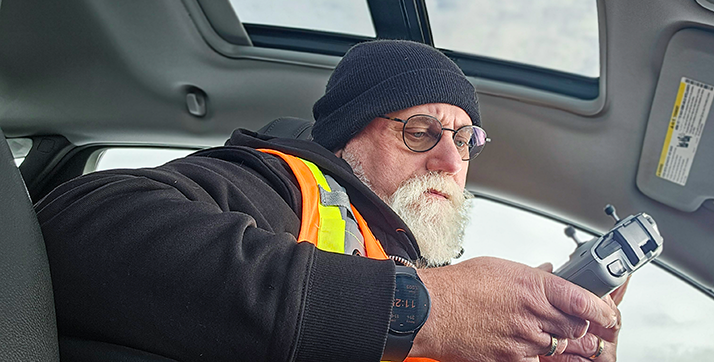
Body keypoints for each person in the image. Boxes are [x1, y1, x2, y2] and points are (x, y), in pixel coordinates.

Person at [36, 40, 624, 362]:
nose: (451, 160)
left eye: (465, 139)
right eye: (420, 132)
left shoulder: (408, 259)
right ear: (348, 139)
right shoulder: (278, 187)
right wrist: (423, 309)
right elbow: (83, 230)